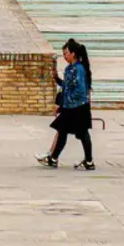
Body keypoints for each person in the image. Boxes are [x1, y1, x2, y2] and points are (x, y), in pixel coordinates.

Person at [39, 39, 94, 170]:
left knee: (82, 134)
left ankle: (88, 161)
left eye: (66, 53)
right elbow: (68, 86)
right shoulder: (70, 68)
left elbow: (80, 90)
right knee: (63, 131)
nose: (64, 56)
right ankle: (53, 158)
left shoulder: (79, 69)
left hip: (78, 107)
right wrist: (57, 79)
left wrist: (64, 103)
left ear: (73, 54)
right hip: (71, 107)